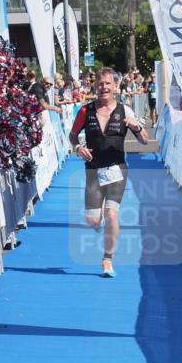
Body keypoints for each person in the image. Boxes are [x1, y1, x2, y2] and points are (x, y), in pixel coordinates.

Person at [69, 68, 149, 278]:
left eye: (108, 84)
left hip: (117, 169)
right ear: (95, 86)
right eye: (100, 84)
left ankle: (107, 260)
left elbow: (145, 140)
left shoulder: (125, 110)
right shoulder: (86, 111)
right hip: (94, 170)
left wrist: (138, 128)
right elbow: (73, 134)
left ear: (115, 86)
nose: (104, 87)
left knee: (111, 214)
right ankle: (99, 224)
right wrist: (78, 148)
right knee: (93, 221)